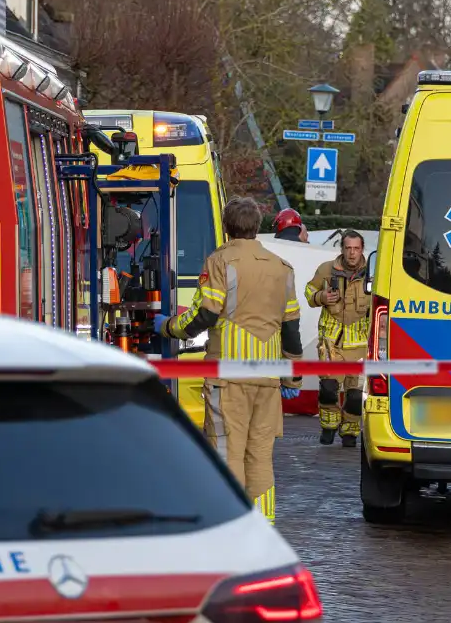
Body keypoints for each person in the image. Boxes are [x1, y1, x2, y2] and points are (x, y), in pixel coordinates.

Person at [155, 197, 303, 526]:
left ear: (226, 225)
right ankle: (263, 526)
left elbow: (206, 312)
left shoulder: (220, 261)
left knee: (227, 452)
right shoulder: (281, 267)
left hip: (229, 379)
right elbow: (291, 328)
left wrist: (168, 327)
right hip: (268, 380)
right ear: (258, 226)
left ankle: (232, 526)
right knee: (260, 457)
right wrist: (292, 378)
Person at [304, 230, 369, 447]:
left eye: (356, 249)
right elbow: (308, 291)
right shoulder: (326, 269)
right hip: (331, 342)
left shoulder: (373, 273)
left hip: (360, 345)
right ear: (341, 249)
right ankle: (329, 427)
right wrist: (320, 297)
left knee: (355, 396)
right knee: (329, 388)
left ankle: (349, 432)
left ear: (362, 250)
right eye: (348, 248)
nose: (352, 253)